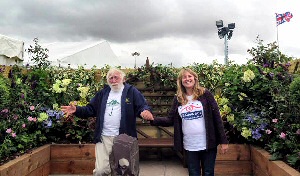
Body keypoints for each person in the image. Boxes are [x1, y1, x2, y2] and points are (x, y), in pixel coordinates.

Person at [61, 67, 153, 176]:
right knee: (100, 171)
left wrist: (144, 112)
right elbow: (90, 109)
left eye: (116, 77)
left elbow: (142, 106)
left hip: (124, 137)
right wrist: (77, 110)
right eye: (110, 78)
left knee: (126, 171)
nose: (113, 80)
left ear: (123, 79)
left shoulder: (131, 92)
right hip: (103, 138)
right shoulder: (103, 93)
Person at [145, 68, 228, 176]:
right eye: (184, 77)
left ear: (195, 78)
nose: (187, 79)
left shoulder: (205, 94)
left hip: (208, 143)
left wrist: (223, 141)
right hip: (190, 145)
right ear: (180, 81)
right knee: (193, 173)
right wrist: (153, 119)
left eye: (190, 76)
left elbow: (217, 117)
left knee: (208, 173)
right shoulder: (178, 99)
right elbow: (170, 119)